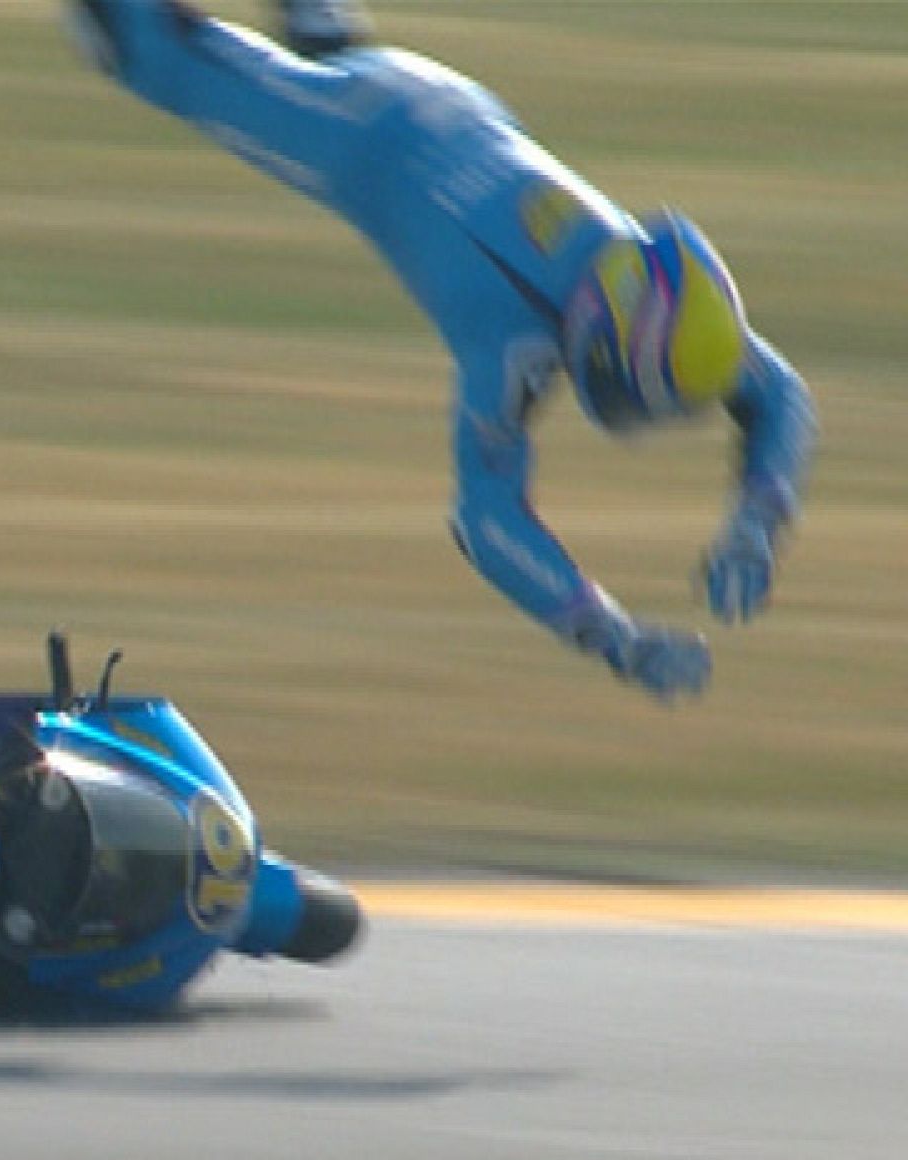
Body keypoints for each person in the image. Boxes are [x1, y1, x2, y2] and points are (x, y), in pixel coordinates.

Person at [65, 0, 817, 702]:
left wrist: (758, 521)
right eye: (646, 400)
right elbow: (487, 524)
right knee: (154, 59)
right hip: (362, 141)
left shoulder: (640, 274)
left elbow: (778, 391)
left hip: (448, 103)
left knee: (329, 61)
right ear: (603, 355)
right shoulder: (510, 345)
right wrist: (612, 638)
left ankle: (318, 23)